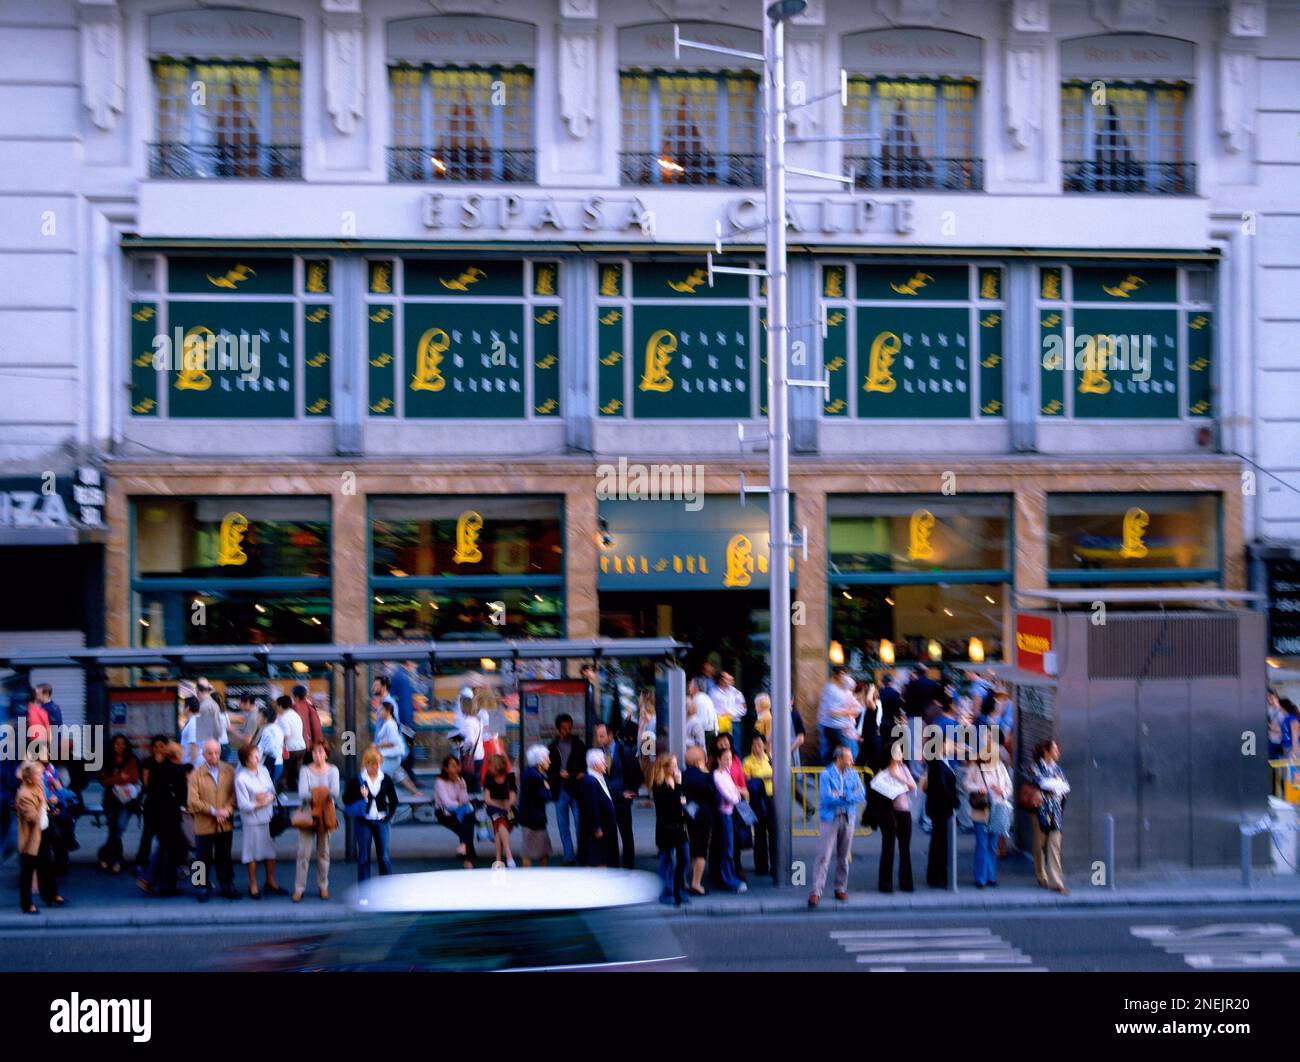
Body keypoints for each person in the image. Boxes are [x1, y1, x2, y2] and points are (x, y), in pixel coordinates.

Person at [807, 744, 866, 907]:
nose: (852, 760)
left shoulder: (852, 774)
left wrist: (842, 795)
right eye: (849, 758)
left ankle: (840, 888)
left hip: (848, 817)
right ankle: (816, 891)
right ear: (839, 758)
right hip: (830, 818)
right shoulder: (826, 775)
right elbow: (827, 798)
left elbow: (861, 794)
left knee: (844, 855)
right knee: (823, 855)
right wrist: (849, 795)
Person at [187, 739, 238, 902]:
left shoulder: (229, 770)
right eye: (210, 753)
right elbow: (192, 801)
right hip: (204, 823)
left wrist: (227, 810)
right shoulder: (196, 774)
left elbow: (235, 796)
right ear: (203, 753)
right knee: (202, 857)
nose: (214, 756)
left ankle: (227, 884)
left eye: (216, 752)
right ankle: (200, 886)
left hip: (224, 823)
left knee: (225, 855)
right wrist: (213, 811)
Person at [138, 739, 186, 897]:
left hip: (154, 812)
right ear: (177, 754)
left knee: (164, 846)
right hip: (169, 814)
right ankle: (166, 884)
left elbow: (151, 787)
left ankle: (148, 879)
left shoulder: (159, 768)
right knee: (173, 848)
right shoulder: (177, 770)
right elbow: (182, 795)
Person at [234, 744, 282, 899]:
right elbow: (243, 804)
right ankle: (252, 884)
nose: (258, 758)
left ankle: (271, 881)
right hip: (252, 820)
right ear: (246, 761)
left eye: (257, 755)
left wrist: (268, 796)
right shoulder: (241, 778)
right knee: (251, 854)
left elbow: (272, 790)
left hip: (267, 817)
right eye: (254, 756)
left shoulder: (264, 770)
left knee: (270, 851)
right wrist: (259, 801)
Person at [344, 746, 397, 881]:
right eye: (373, 763)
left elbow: (394, 800)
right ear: (366, 763)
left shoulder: (386, 779)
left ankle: (386, 887)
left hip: (381, 820)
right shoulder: (358, 780)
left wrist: (388, 816)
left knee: (384, 857)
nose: (377, 766)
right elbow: (346, 799)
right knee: (363, 857)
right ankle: (364, 888)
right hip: (363, 821)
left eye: (379, 763)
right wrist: (361, 796)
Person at [295, 741, 339, 901]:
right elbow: (302, 794)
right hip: (308, 814)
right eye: (314, 752)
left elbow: (335, 792)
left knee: (324, 853)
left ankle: (323, 886)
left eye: (321, 752)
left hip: (326, 815)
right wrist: (323, 793)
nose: (317, 755)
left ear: (326, 754)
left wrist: (314, 792)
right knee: (303, 853)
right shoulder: (305, 770)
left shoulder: (333, 770)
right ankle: (299, 888)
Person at [963, 741, 1010, 888]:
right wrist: (979, 788)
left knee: (992, 845)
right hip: (981, 811)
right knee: (982, 845)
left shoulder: (1000, 767)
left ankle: (991, 876)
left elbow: (1009, 787)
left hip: (997, 809)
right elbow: (965, 783)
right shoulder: (976, 767)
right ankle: (981, 878)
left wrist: (1002, 790)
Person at [16, 763, 62, 913]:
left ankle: (49, 895)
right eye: (38, 775)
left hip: (43, 832)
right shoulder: (24, 795)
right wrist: (45, 808)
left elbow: (43, 805)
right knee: (28, 871)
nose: (41, 777)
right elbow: (32, 817)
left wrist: (50, 808)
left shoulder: (38, 787)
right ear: (29, 779)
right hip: (31, 838)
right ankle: (27, 904)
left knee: (47, 865)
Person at [594, 721, 640, 869]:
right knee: (610, 836)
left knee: (626, 835)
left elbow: (636, 773)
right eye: (597, 737)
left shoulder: (624, 751)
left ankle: (628, 866)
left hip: (622, 801)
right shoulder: (597, 753)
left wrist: (632, 791)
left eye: (602, 736)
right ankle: (613, 866)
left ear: (610, 735)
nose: (599, 740)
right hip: (606, 801)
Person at [876, 740, 917, 894]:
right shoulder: (883, 773)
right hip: (889, 813)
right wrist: (893, 776)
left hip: (904, 811)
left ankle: (906, 881)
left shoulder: (903, 769)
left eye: (901, 751)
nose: (900, 754)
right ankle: (885, 883)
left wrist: (898, 777)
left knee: (905, 848)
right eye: (898, 752)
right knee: (889, 848)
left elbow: (913, 786)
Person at [546, 713, 586, 865]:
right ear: (558, 729)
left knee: (579, 824)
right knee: (563, 825)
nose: (567, 731)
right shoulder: (552, 746)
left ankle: (581, 854)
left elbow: (584, 766)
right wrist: (558, 774)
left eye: (569, 728)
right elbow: (549, 769)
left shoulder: (578, 744)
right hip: (560, 789)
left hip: (575, 788)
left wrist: (572, 774)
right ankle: (569, 855)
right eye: (563, 728)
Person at [97, 734, 140, 874]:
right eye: (117, 743)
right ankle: (117, 859)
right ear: (112, 745)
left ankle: (104, 855)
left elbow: (133, 778)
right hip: (110, 800)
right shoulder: (107, 760)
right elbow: (103, 781)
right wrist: (120, 778)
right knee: (113, 828)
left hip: (127, 802)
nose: (120, 746)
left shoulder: (132, 759)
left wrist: (113, 779)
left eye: (122, 743)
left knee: (119, 827)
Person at [651, 753, 690, 906]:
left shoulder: (676, 780)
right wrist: (679, 788)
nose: (676, 768)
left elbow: (682, 801)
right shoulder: (659, 784)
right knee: (667, 862)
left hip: (680, 827)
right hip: (666, 829)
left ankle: (679, 889)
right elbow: (670, 806)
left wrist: (679, 790)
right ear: (665, 767)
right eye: (673, 765)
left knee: (684, 859)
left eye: (676, 764)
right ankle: (667, 893)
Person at [1030, 740, 1069, 894]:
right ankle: (1041, 875)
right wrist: (1055, 785)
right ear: (1046, 751)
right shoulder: (1035, 767)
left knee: (1054, 846)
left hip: (1056, 811)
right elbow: (1041, 783)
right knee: (1039, 845)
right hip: (1040, 811)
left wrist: (1054, 786)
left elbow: (1066, 787)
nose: (1058, 753)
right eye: (1055, 750)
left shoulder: (1058, 769)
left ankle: (1056, 882)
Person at [923, 739, 959, 888]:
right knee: (940, 842)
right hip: (941, 809)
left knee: (939, 842)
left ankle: (938, 874)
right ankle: (937, 875)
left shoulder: (941, 762)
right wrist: (954, 801)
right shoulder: (937, 764)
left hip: (941, 808)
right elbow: (942, 788)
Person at [711, 747, 748, 894]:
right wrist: (736, 796)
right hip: (724, 815)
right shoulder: (717, 775)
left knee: (729, 849)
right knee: (727, 850)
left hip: (730, 814)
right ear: (719, 759)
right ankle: (729, 880)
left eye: (730, 758)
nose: (728, 761)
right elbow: (731, 796)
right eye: (725, 758)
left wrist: (736, 796)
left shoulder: (725, 773)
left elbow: (734, 791)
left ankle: (729, 877)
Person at [132, 735, 167, 881]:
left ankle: (161, 864)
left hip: (165, 802)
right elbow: (146, 783)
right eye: (156, 746)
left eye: (162, 746)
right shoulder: (148, 762)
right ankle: (141, 862)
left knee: (164, 836)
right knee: (148, 834)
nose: (159, 749)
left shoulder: (170, 761)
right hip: (151, 802)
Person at [682, 745, 715, 896]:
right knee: (701, 852)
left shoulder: (683, 775)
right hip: (703, 817)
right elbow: (713, 796)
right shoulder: (705, 777)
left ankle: (686, 881)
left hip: (690, 816)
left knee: (693, 847)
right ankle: (697, 884)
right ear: (700, 760)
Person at [742, 733, 776, 879]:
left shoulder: (770, 759)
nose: (757, 747)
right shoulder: (748, 761)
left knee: (774, 832)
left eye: (759, 744)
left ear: (764, 745)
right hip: (757, 799)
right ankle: (761, 866)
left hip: (771, 797)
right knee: (760, 832)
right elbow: (748, 781)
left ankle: (776, 865)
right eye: (754, 745)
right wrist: (763, 778)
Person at [434, 755, 477, 868]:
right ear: (446, 768)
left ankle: (465, 853)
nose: (456, 768)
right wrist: (460, 804)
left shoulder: (460, 780)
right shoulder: (440, 782)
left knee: (468, 820)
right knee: (468, 822)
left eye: (457, 765)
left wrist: (462, 788)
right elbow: (447, 803)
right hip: (444, 813)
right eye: (453, 766)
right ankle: (469, 857)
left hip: (460, 812)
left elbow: (464, 800)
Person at [577, 748, 618, 867]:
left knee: (604, 858)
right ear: (595, 764)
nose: (606, 764)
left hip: (605, 828)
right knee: (599, 860)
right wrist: (596, 828)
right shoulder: (591, 781)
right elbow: (591, 806)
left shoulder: (599, 778)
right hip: (598, 830)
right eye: (603, 761)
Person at [375, 698, 422, 796]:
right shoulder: (388, 723)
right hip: (391, 757)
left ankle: (393, 797)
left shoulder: (390, 725)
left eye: (381, 710)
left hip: (390, 757)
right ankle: (416, 794)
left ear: (387, 711)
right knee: (400, 775)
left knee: (379, 776)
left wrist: (377, 745)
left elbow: (393, 742)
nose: (379, 712)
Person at [519, 745, 553, 867]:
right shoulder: (535, 776)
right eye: (547, 759)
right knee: (531, 852)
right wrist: (547, 788)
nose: (549, 761)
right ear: (539, 761)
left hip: (532, 819)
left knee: (542, 851)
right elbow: (545, 796)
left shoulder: (530, 773)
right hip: (533, 821)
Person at [483, 754, 518, 867]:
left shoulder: (510, 777)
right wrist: (499, 804)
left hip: (508, 808)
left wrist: (506, 805)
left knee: (499, 827)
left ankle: (498, 860)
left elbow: (512, 798)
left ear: (497, 766)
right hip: (493, 807)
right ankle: (508, 855)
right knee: (500, 819)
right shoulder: (488, 777)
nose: (488, 768)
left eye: (490, 765)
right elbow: (487, 799)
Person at [817, 667, 857, 763]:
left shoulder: (840, 690)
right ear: (837, 675)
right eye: (843, 674)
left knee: (831, 752)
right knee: (847, 750)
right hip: (831, 726)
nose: (846, 678)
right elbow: (832, 712)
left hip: (838, 726)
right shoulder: (831, 689)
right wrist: (850, 712)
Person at [289, 686, 323, 788]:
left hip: (301, 744)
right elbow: (316, 727)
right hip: (312, 743)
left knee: (298, 768)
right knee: (309, 767)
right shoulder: (310, 706)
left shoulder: (294, 708)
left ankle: (302, 786)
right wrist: (317, 744)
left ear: (296, 696)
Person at [455, 687, 486, 795]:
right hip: (479, 754)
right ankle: (477, 803)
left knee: (468, 783)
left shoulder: (467, 722)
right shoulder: (478, 719)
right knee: (476, 780)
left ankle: (472, 804)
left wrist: (460, 746)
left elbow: (470, 741)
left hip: (470, 757)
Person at [276, 695, 304, 790]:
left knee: (285, 771)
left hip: (291, 748)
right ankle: (298, 788)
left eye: (277, 706)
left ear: (280, 706)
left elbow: (286, 735)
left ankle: (281, 790)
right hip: (301, 747)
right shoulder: (295, 714)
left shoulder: (284, 718)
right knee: (296, 770)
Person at [713, 671, 747, 750]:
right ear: (721, 680)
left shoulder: (735, 692)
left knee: (735, 747)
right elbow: (712, 709)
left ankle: (736, 762)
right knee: (721, 748)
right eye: (727, 677)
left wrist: (731, 713)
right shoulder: (713, 692)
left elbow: (744, 708)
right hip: (720, 723)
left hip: (734, 723)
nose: (731, 678)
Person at [256, 703, 285, 789]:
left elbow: (270, 749)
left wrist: (260, 751)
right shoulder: (277, 728)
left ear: (265, 719)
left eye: (259, 717)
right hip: (278, 762)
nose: (257, 718)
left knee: (267, 789)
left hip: (270, 764)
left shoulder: (268, 730)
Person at [689, 678, 719, 754]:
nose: (688, 687)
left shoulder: (697, 699)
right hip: (712, 730)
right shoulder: (706, 697)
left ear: (696, 688)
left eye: (690, 685)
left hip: (705, 732)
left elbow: (699, 721)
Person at [180, 696, 201, 770]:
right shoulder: (199, 720)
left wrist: (190, 766)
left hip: (193, 765)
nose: (182, 709)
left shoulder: (193, 723)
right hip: (198, 763)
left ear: (187, 708)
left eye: (183, 707)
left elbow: (194, 745)